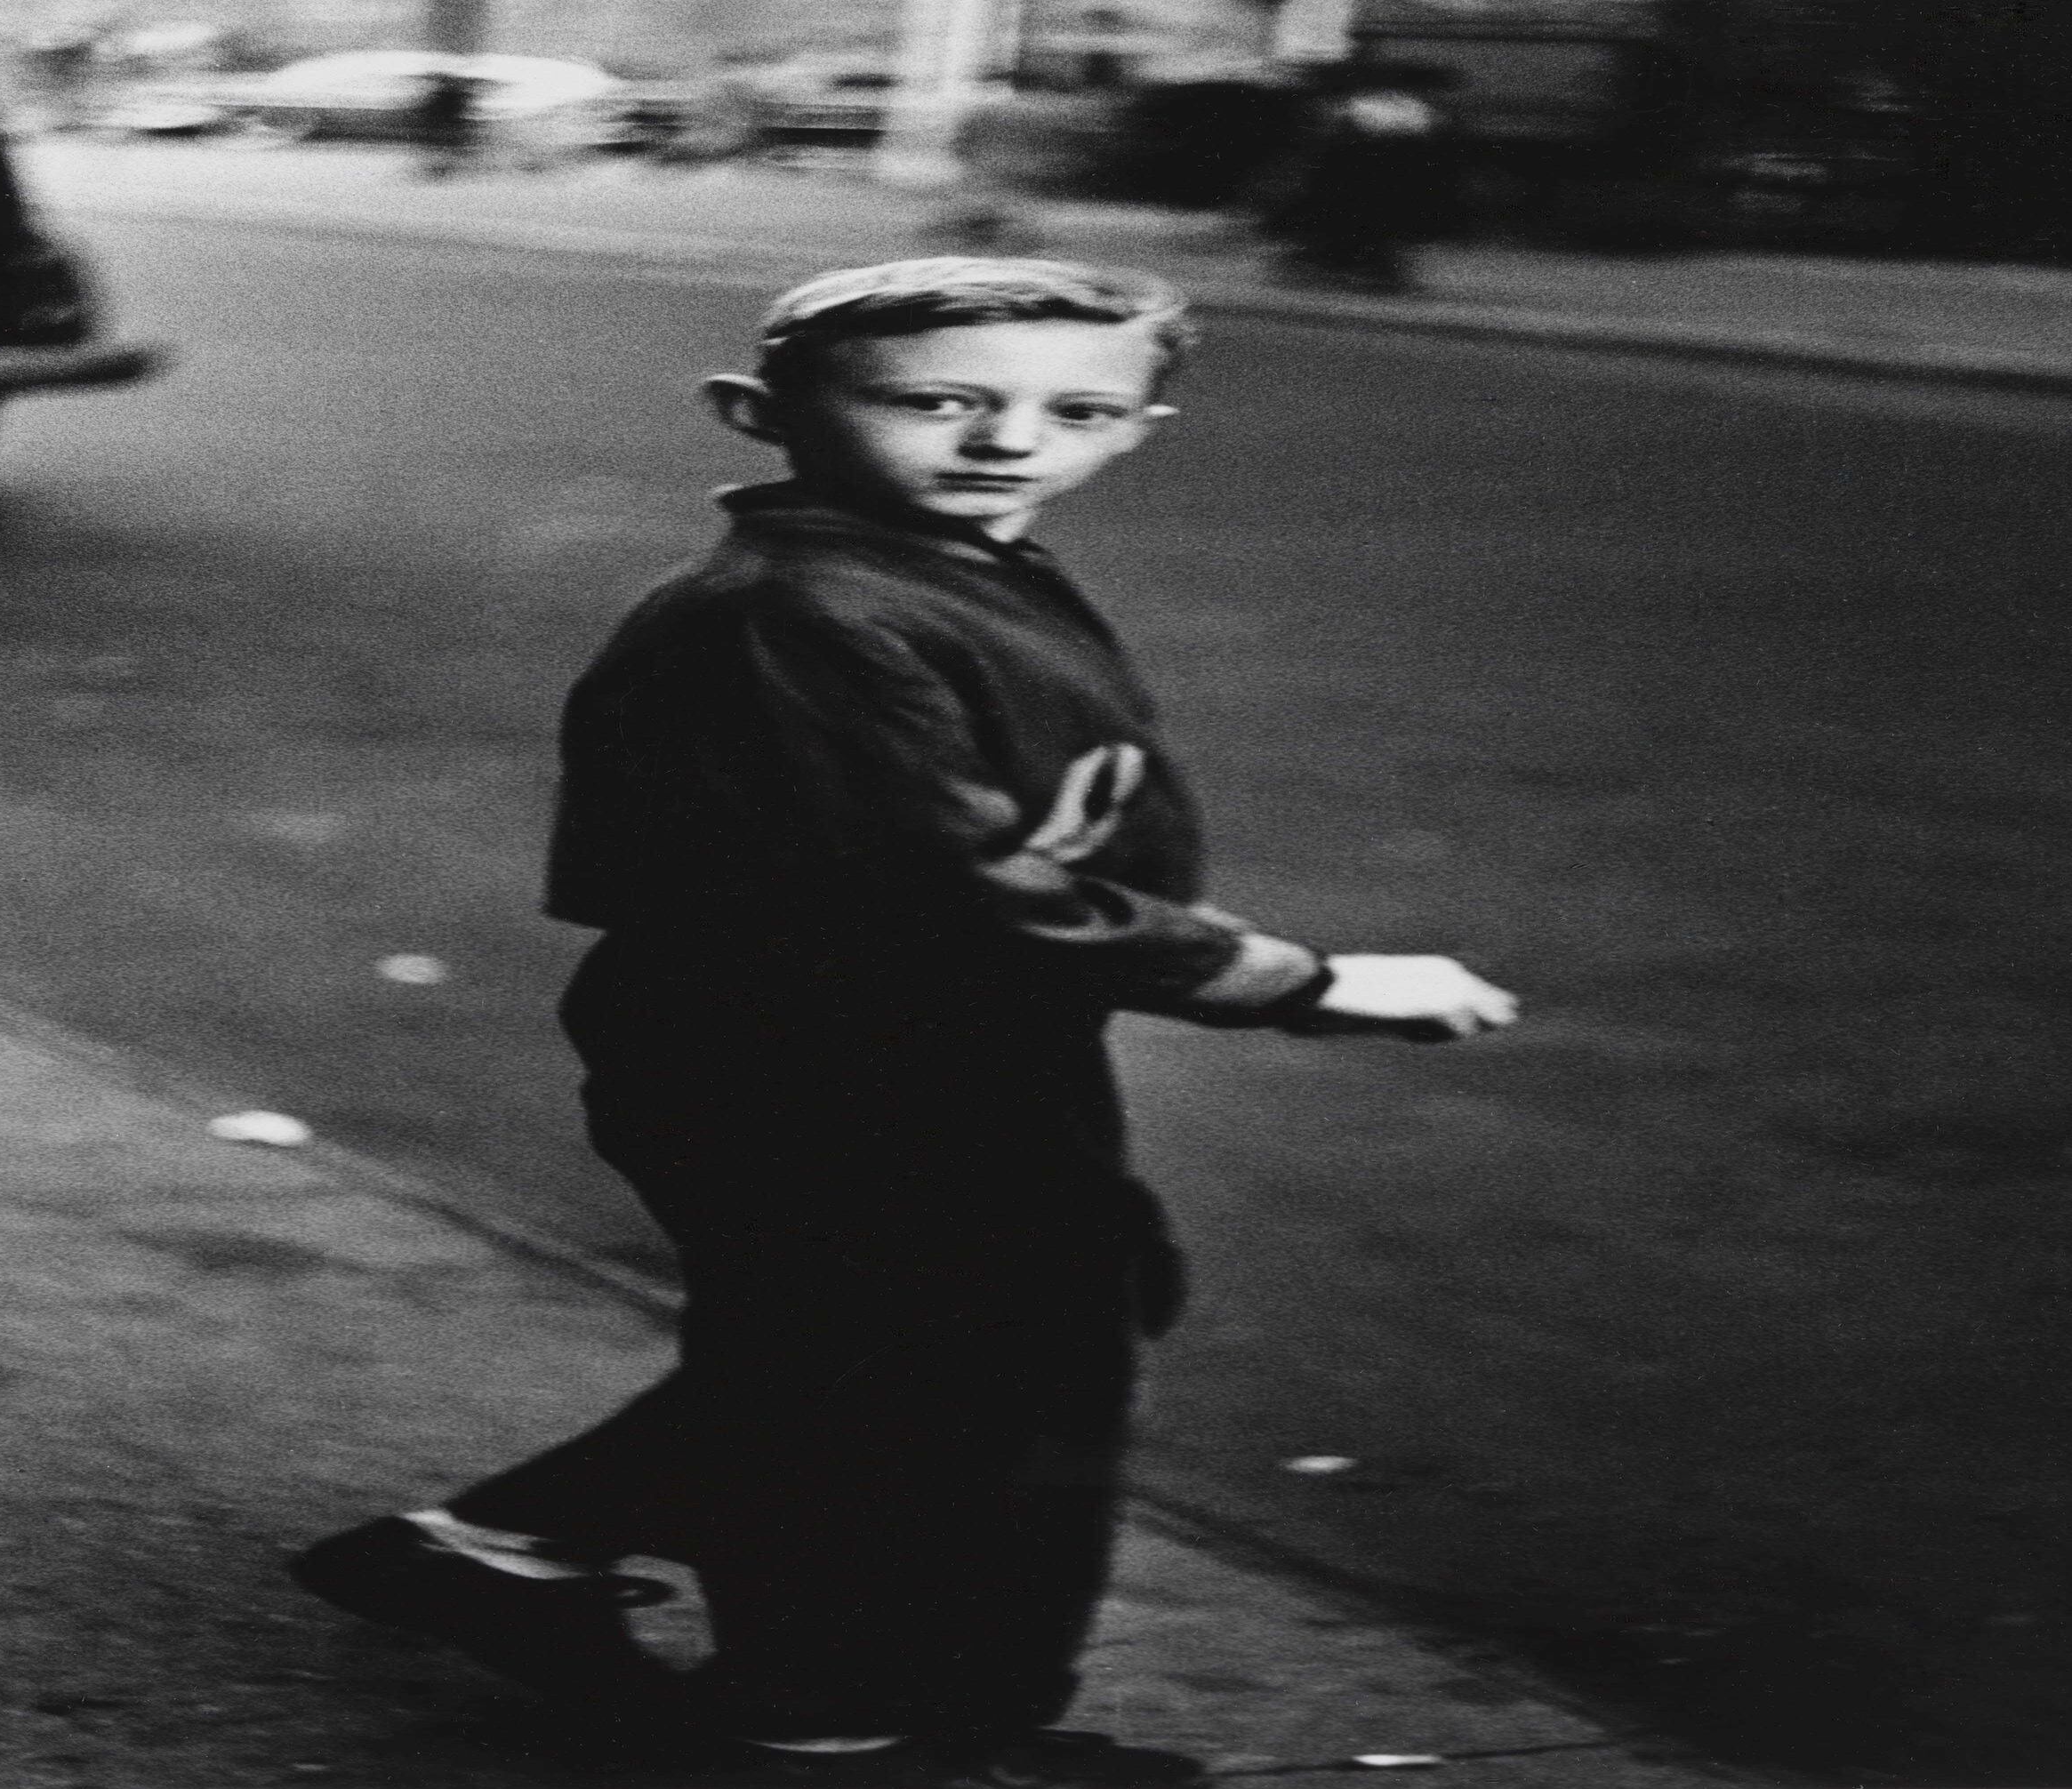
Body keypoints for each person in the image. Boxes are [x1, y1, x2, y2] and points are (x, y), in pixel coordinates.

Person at [287, 258, 1519, 1787]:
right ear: (762, 414)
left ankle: (529, 1558)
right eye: (941, 401)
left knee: (927, 1343)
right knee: (928, 1376)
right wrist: (1303, 980)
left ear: (1141, 426)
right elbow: (944, 886)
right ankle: (833, 1718)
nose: (1009, 439)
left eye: (1077, 410)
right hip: (813, 1049)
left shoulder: (954, 565)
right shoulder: (802, 613)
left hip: (938, 1034)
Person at [1261, 62, 1466, 294]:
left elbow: (1331, 144)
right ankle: (1358, 262)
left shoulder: (1360, 105)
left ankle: (1345, 261)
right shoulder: (1419, 110)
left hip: (1366, 168)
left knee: (1351, 218)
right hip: (1389, 171)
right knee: (1367, 222)